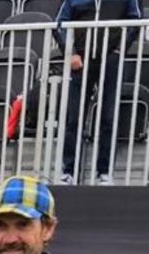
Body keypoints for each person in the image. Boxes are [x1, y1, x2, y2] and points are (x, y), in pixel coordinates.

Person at [55, 0, 142, 185]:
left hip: (110, 60)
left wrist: (119, 50)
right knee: (74, 117)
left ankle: (104, 172)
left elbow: (135, 21)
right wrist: (70, 52)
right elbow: (59, 24)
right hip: (81, 60)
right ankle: (69, 171)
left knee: (108, 117)